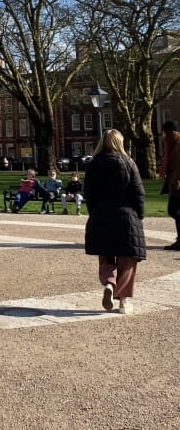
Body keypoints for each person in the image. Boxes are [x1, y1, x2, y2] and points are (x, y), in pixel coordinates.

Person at [84, 129, 146, 315]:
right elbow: (138, 192)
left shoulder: (93, 164)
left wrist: (94, 212)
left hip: (101, 214)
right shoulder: (129, 163)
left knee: (105, 255)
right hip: (126, 215)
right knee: (127, 260)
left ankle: (109, 283)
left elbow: (89, 194)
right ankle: (124, 300)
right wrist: (139, 215)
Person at [160, 120, 180, 250]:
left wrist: (177, 179)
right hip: (173, 180)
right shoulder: (173, 144)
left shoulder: (178, 145)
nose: (164, 136)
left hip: (177, 182)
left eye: (166, 133)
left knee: (175, 210)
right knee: (175, 210)